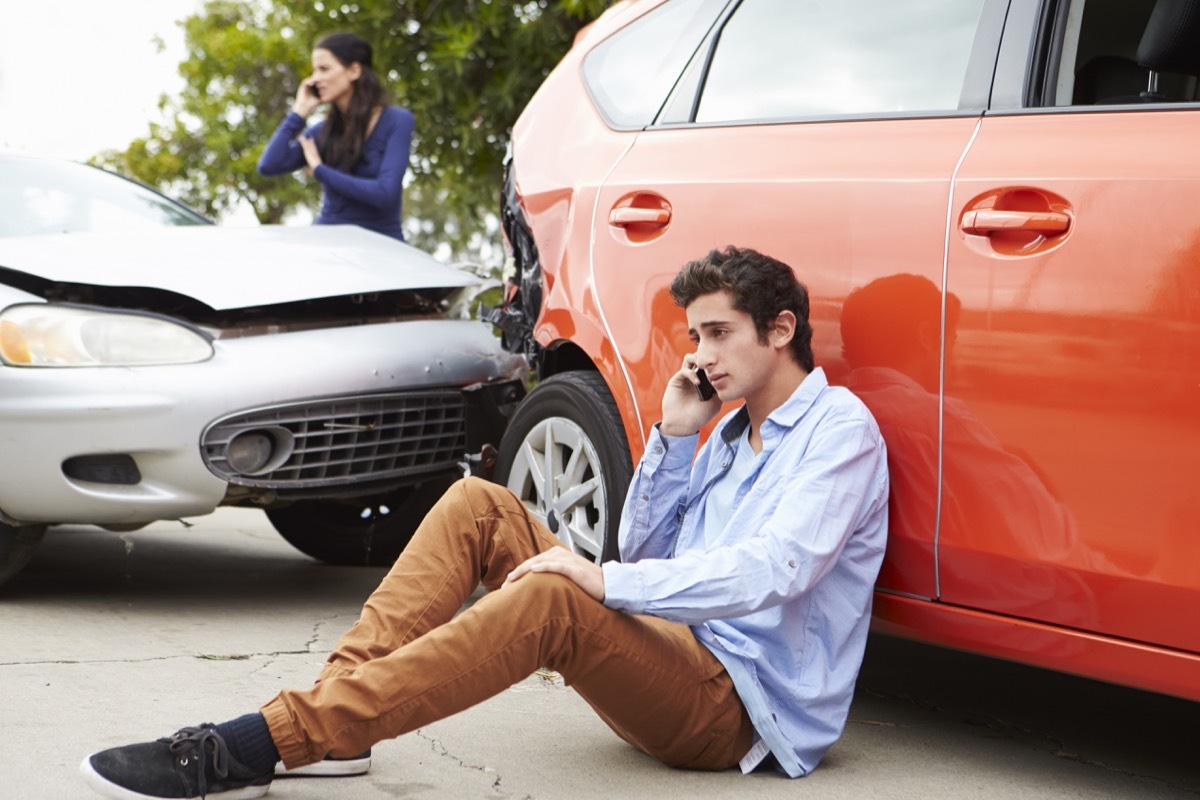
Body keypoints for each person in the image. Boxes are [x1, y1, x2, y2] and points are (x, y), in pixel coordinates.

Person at [80, 246, 890, 799]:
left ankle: (261, 742)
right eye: (696, 336)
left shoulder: (839, 433)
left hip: (733, 709)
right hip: (671, 655)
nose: (703, 356)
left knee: (557, 598)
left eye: (719, 334)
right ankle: (337, 724)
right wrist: (676, 439)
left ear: (781, 330)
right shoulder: (728, 430)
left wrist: (598, 580)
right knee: (480, 503)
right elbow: (646, 553)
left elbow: (774, 572)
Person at [257, 32, 413, 241]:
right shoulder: (323, 131)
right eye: (314, 70)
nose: (314, 79)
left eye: (324, 69)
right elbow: (269, 165)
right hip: (330, 246)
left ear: (354, 70)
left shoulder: (397, 120)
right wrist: (299, 112)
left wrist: (321, 170)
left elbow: (385, 194)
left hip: (382, 247)